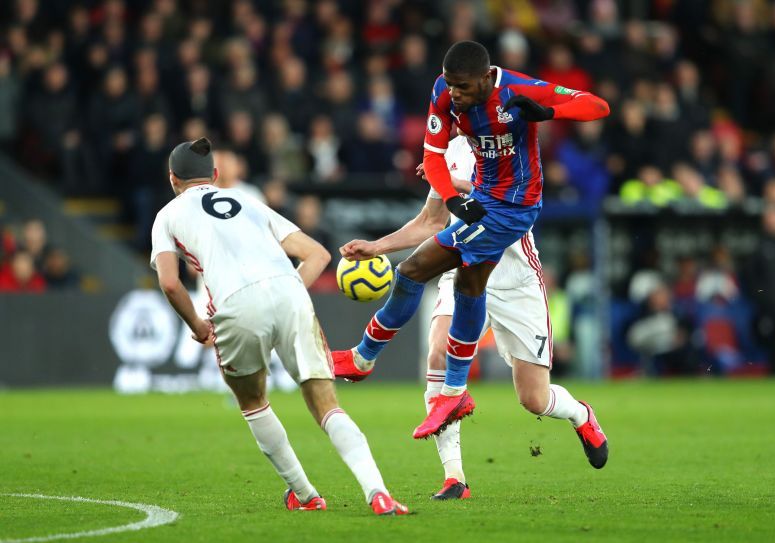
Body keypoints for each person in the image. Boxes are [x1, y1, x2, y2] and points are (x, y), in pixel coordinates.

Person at [332, 40, 610, 442]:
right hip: (482, 207)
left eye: (463, 87)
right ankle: (451, 439)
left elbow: (597, 106)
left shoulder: (516, 90)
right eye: (450, 86)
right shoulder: (444, 95)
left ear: (484, 78)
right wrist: (451, 200)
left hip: (514, 211)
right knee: (462, 285)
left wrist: (550, 111)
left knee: (413, 271)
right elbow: (431, 161)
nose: (455, 96)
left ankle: (366, 358)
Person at [340, 134, 608, 500]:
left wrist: (455, 182)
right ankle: (454, 477)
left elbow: (503, 199)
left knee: (533, 398)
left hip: (515, 280)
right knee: (437, 351)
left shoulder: (512, 144)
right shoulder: (448, 149)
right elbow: (432, 221)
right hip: (462, 265)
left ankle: (580, 414)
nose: (457, 104)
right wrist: (377, 246)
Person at [150, 138, 408, 515]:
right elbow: (318, 254)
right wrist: (285, 290)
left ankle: (306, 495)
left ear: (172, 179)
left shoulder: (168, 215)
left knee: (253, 401)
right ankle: (378, 491)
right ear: (216, 175)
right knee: (325, 403)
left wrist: (198, 325)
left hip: (235, 305)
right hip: (290, 292)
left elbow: (170, 282)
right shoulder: (249, 201)